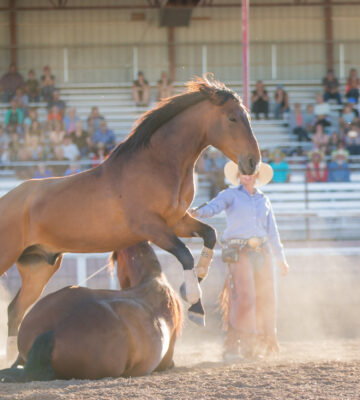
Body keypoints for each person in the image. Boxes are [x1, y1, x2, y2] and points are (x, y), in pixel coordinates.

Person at [190, 161, 289, 361]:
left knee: (265, 298)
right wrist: (196, 212)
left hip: (261, 252)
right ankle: (239, 344)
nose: (246, 175)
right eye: (243, 171)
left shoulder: (264, 200)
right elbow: (213, 207)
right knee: (245, 296)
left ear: (256, 174)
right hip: (239, 251)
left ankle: (255, 344)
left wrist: (281, 259)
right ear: (239, 174)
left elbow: (272, 231)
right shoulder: (230, 195)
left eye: (250, 172)